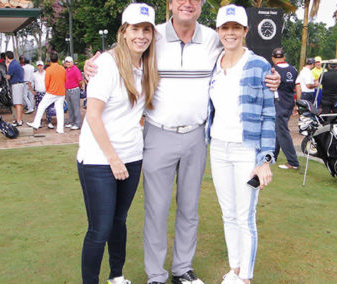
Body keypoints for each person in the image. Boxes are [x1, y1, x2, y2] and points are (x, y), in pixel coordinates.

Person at [84, 1, 280, 282]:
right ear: (170, 4)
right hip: (157, 133)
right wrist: (91, 64)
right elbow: (123, 52)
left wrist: (271, 78)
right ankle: (155, 274)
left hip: (196, 136)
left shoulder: (214, 38)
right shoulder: (153, 35)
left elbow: (243, 60)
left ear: (201, 5)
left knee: (189, 209)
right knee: (156, 210)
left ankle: (182, 269)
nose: (187, 3)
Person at [77, 3, 159, 284]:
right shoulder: (106, 65)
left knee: (119, 222)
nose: (141, 35)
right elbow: (92, 115)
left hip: (132, 156)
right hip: (100, 160)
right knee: (99, 229)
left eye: (146, 30)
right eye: (135, 29)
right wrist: (113, 158)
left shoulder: (147, 65)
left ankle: (117, 276)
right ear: (124, 32)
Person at [205, 5, 275, 283]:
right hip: (218, 147)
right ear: (218, 31)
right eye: (225, 28)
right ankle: (234, 269)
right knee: (228, 213)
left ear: (245, 31)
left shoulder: (259, 65)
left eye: (236, 28)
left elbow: (269, 114)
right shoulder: (212, 62)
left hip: (246, 150)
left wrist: (264, 160)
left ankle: (245, 277)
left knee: (246, 216)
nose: (230, 33)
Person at [271, 47, 300, 170]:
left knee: (282, 131)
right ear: (284, 57)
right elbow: (298, 87)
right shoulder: (293, 69)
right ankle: (273, 156)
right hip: (288, 103)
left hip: (278, 103)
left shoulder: (273, 70)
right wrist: (297, 104)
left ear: (273, 58)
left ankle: (293, 162)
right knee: (279, 129)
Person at [27, 52, 66, 133]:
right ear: (58, 60)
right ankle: (60, 129)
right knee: (59, 110)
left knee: (41, 106)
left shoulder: (49, 69)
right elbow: (65, 80)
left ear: (50, 61)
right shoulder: (62, 68)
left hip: (51, 92)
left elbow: (46, 82)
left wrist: (48, 90)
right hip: (61, 92)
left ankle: (36, 123)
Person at [30, 60, 54, 129]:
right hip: (38, 92)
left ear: (43, 66)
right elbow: (29, 82)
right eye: (39, 66)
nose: (40, 67)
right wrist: (32, 91)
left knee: (48, 108)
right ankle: (38, 122)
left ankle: (49, 122)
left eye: (41, 66)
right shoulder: (34, 74)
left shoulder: (46, 73)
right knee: (38, 107)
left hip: (46, 92)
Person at [5, 51, 25, 126]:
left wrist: (7, 67)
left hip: (16, 85)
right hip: (20, 84)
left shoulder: (12, 65)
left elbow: (8, 76)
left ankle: (18, 121)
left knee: (17, 103)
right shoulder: (16, 63)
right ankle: (19, 119)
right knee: (19, 103)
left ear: (7, 57)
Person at [64, 56, 84, 130]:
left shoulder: (75, 69)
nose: (68, 63)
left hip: (74, 90)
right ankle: (72, 122)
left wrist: (77, 87)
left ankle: (77, 123)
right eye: (66, 62)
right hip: (68, 90)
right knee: (70, 108)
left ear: (72, 62)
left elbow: (80, 81)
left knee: (76, 107)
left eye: (69, 62)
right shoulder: (66, 70)